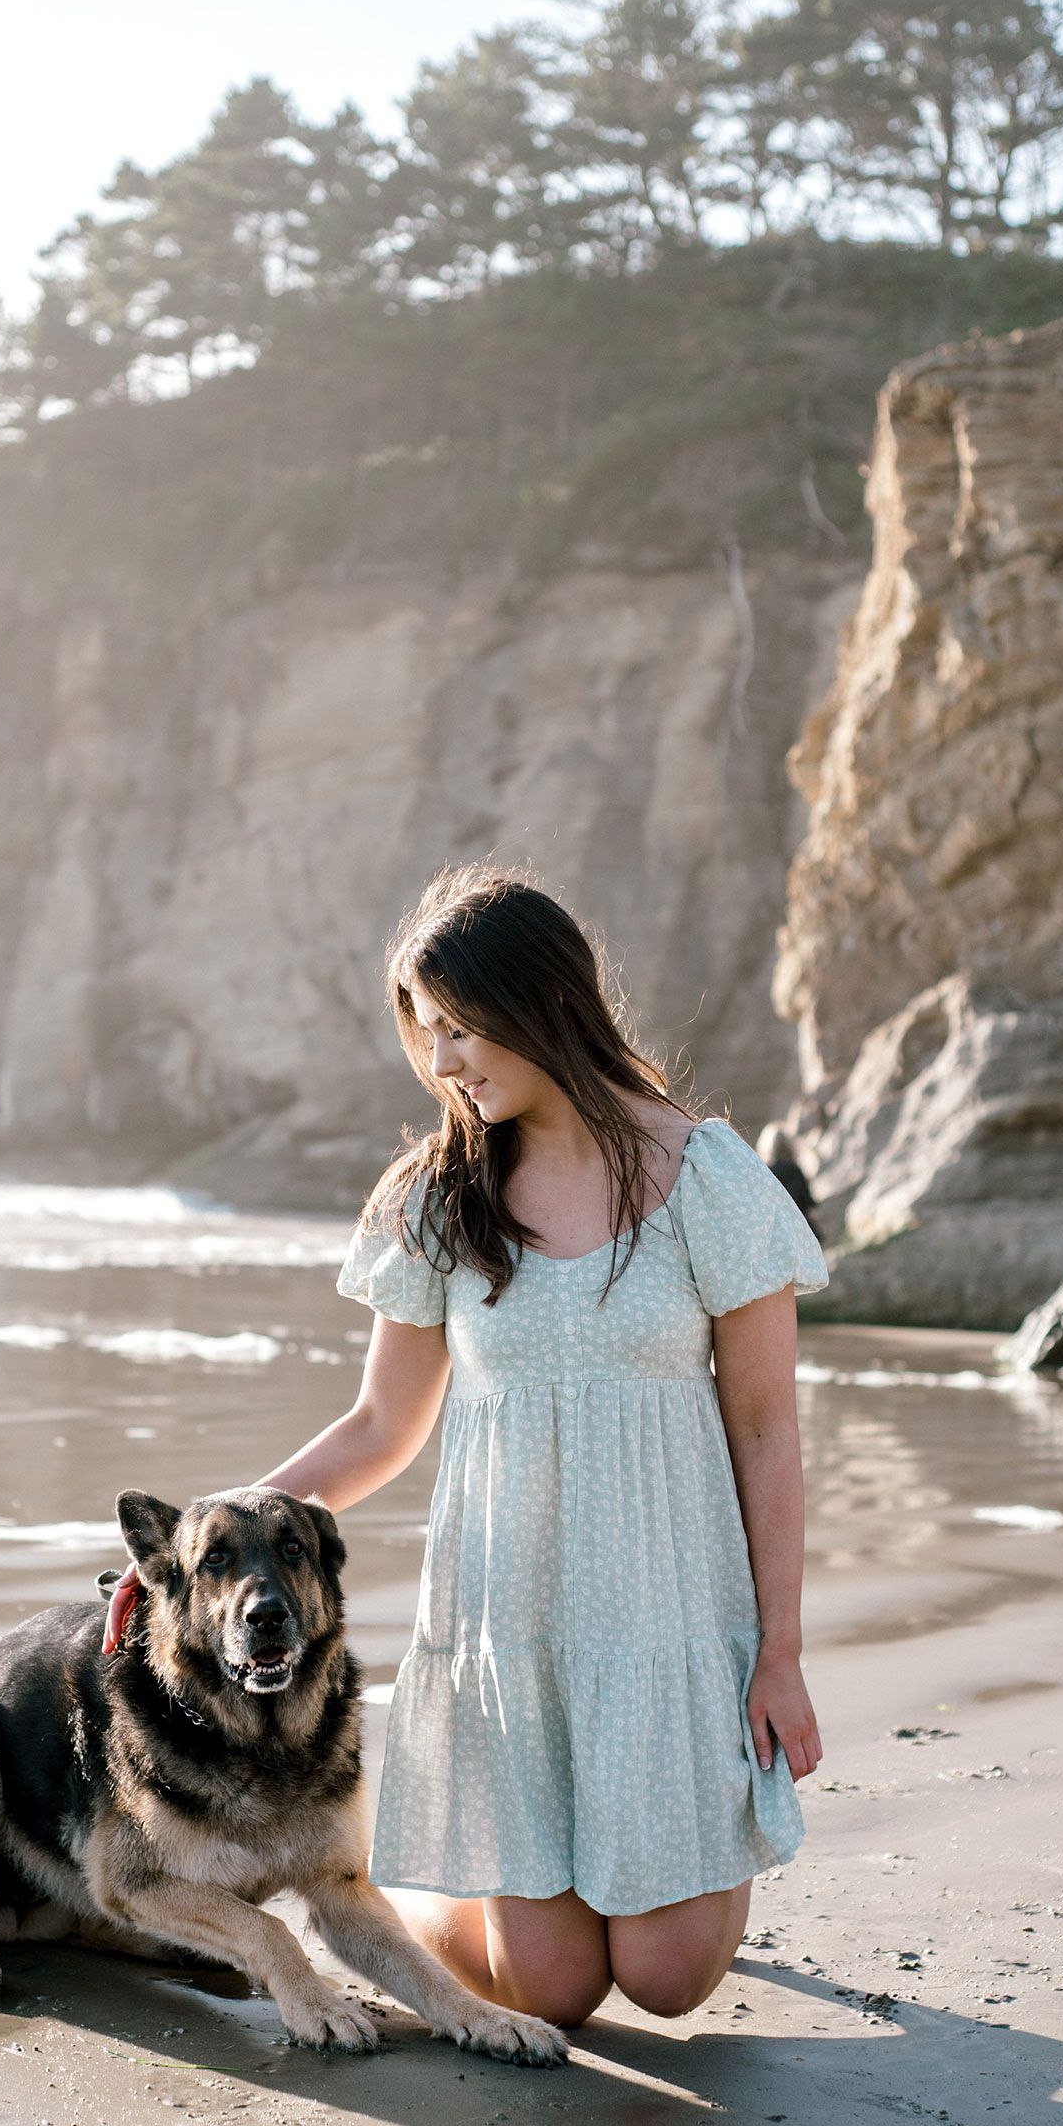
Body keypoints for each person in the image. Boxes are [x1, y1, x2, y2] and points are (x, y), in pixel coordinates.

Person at [251, 865, 830, 2030]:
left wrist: (777, 1651)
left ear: (539, 1001)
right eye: (424, 1030)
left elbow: (764, 1429)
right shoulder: (437, 1197)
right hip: (505, 1624)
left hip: (663, 1620)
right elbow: (379, 1426)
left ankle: (696, 1858)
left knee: (664, 1982)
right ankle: (417, 1894)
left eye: (460, 1026)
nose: (441, 1059)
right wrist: (219, 1523)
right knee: (555, 1993)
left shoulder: (705, 1176)